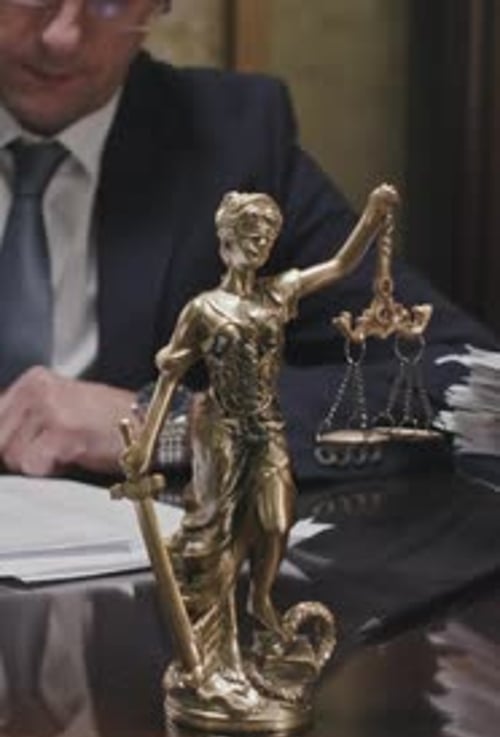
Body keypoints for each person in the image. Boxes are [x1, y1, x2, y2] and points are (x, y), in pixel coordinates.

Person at [0, 0, 495, 482]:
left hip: (128, 549)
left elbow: (460, 381)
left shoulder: (231, 142)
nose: (61, 38)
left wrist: (176, 425)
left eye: (111, 3)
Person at [122, 186, 398, 648]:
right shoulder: (203, 310)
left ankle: (261, 598)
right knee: (220, 530)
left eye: (267, 236)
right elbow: (171, 374)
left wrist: (372, 216)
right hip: (220, 429)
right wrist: (145, 448)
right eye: (250, 234)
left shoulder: (278, 293)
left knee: (276, 518)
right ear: (226, 241)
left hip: (267, 426)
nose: (259, 244)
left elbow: (339, 267)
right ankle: (218, 629)